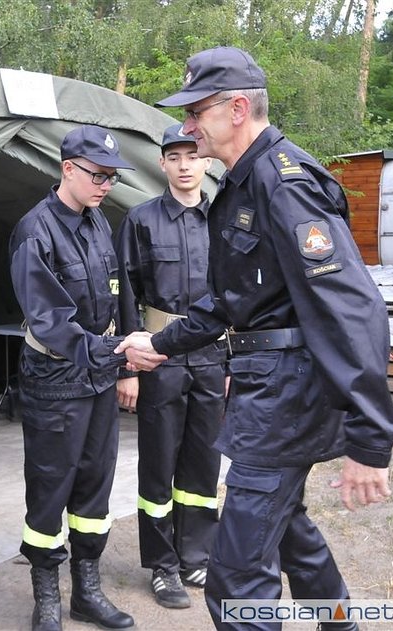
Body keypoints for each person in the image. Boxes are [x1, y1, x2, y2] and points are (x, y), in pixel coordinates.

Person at [116, 46, 393, 630]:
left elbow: (354, 309)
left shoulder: (283, 183)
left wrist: (371, 441)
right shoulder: (243, 184)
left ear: (238, 109)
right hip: (266, 391)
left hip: (284, 401)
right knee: (291, 531)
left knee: (236, 581)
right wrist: (159, 345)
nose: (188, 127)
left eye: (196, 112)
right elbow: (230, 301)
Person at [9, 125, 136, 631]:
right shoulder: (35, 231)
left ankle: (87, 591)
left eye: (111, 177)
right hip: (55, 380)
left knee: (94, 486)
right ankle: (46, 598)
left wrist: (123, 363)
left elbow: (118, 296)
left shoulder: (98, 221)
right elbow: (49, 320)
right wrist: (113, 352)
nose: (106, 185)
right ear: (67, 168)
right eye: (97, 175)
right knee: (49, 486)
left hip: (99, 376)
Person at [114, 123, 227, 609]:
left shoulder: (223, 219)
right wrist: (128, 368)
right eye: (174, 157)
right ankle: (162, 566)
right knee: (159, 464)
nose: (184, 165)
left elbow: (235, 294)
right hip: (158, 357)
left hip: (211, 357)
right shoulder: (140, 221)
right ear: (161, 163)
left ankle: (195, 555)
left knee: (203, 463)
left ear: (207, 161)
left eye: (192, 155)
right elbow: (124, 295)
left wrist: (231, 363)